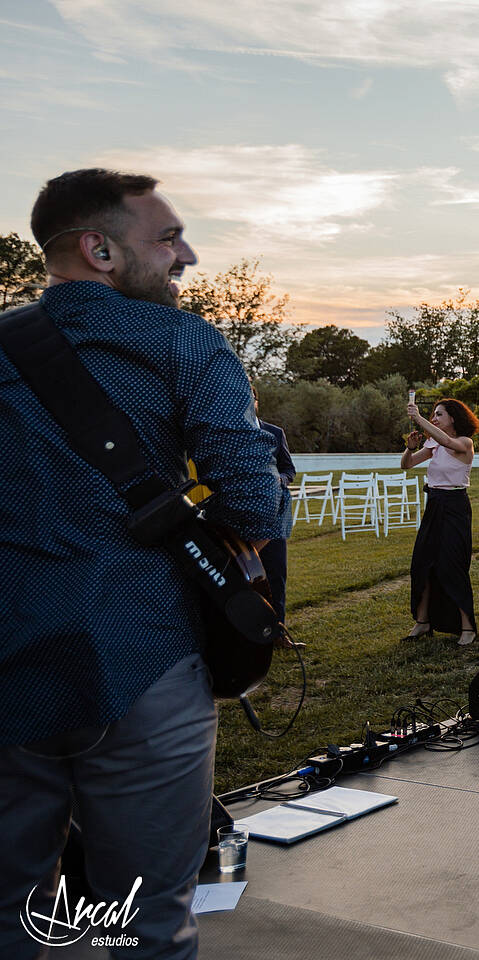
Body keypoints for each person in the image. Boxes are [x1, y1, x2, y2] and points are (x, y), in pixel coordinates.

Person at [0, 168, 289, 960]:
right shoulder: (182, 342)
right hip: (140, 655)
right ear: (98, 248)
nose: (185, 254)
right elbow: (254, 509)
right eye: (166, 237)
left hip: (8, 658)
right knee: (143, 921)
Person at [401, 397, 479, 646]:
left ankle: (468, 627)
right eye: (433, 415)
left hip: (455, 507)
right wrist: (410, 448)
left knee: (452, 566)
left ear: (453, 418)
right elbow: (407, 465)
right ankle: (423, 622)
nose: (434, 418)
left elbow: (447, 441)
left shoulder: (464, 443)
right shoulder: (433, 443)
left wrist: (418, 417)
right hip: (434, 506)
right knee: (422, 564)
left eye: (439, 415)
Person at [254, 383, 295, 620]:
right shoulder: (231, 433)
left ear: (257, 402)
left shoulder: (275, 433)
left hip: (275, 514)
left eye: (252, 397)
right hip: (242, 515)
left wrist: (279, 479)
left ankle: (279, 631)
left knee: (276, 572)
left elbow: (289, 469)